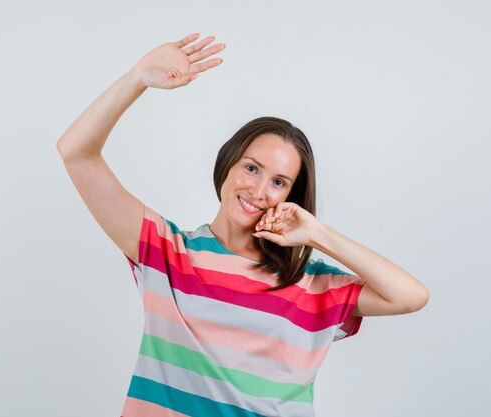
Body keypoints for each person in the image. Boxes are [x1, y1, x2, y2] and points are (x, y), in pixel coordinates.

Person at [57, 33, 429, 417]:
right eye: (252, 168)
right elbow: (77, 154)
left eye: (279, 182)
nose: (259, 189)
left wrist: (317, 234)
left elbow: (410, 296)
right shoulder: (165, 251)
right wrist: (136, 78)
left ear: (291, 195)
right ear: (229, 163)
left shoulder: (311, 284)